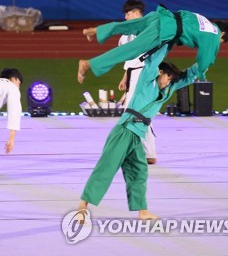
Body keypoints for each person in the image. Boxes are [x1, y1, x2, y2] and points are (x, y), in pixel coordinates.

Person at [79, 46, 199, 220]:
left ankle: (142, 211)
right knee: (106, 168)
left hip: (137, 134)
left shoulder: (166, 90)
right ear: (159, 72)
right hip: (124, 130)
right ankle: (82, 207)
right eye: (167, 77)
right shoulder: (147, 81)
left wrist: (206, 58)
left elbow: (188, 76)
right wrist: (167, 41)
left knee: (139, 171)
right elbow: (152, 61)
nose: (168, 81)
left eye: (171, 79)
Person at [77, 4, 228, 84]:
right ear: (223, 34)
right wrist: (201, 75)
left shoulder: (203, 20)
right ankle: (89, 64)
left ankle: (96, 31)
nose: (218, 44)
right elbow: (205, 59)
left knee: (129, 26)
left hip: (161, 16)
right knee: (131, 50)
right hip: (166, 29)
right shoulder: (214, 34)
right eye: (221, 42)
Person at [118, 0, 157, 165]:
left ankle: (138, 151)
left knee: (133, 112)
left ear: (135, 12)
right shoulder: (124, 36)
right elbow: (128, 58)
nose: (125, 18)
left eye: (127, 14)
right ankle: (148, 153)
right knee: (138, 112)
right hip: (133, 74)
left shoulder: (149, 29)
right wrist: (125, 77)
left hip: (145, 74)